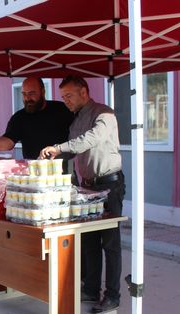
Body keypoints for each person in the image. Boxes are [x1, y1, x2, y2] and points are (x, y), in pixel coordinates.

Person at [39, 75, 125, 314]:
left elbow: (89, 140)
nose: (65, 101)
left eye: (69, 96)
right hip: (87, 187)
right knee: (88, 240)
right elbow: (71, 150)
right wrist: (50, 159)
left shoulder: (104, 114)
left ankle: (112, 295)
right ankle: (91, 289)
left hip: (109, 185)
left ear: (84, 92)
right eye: (63, 97)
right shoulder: (75, 121)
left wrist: (59, 148)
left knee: (110, 242)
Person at [0, 77, 74, 161]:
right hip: (34, 174)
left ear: (43, 91)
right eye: (24, 94)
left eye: (32, 93)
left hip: (64, 173)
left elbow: (80, 135)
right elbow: (8, 142)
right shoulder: (19, 118)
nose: (27, 98)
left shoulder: (62, 109)